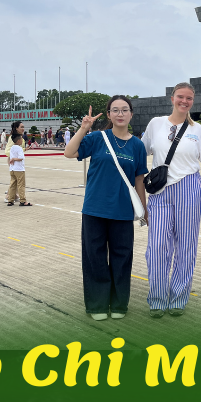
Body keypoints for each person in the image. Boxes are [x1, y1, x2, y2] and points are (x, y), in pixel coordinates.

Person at [65, 96, 146, 321]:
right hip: (95, 209)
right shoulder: (98, 138)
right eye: (115, 110)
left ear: (131, 114)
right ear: (109, 114)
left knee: (122, 257)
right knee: (95, 257)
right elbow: (69, 152)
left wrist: (143, 209)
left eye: (125, 110)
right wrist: (84, 128)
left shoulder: (137, 145)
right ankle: (97, 304)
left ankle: (119, 303)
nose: (120, 114)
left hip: (122, 210)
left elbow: (139, 179)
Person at [141, 82, 201, 317]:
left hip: (189, 187)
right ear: (172, 98)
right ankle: (157, 298)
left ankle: (179, 298)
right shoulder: (156, 124)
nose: (184, 101)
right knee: (157, 246)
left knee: (186, 245)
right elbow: (140, 151)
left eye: (189, 98)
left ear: (193, 101)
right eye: (180, 97)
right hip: (160, 190)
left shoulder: (197, 130)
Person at [5, 121, 28, 207]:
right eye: (21, 127)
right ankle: (9, 196)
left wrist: (24, 149)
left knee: (15, 180)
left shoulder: (19, 137)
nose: (23, 128)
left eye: (23, 127)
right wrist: (13, 157)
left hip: (15, 160)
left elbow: (18, 149)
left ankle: (13, 197)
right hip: (13, 160)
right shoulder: (13, 137)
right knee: (18, 181)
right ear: (16, 128)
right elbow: (8, 150)